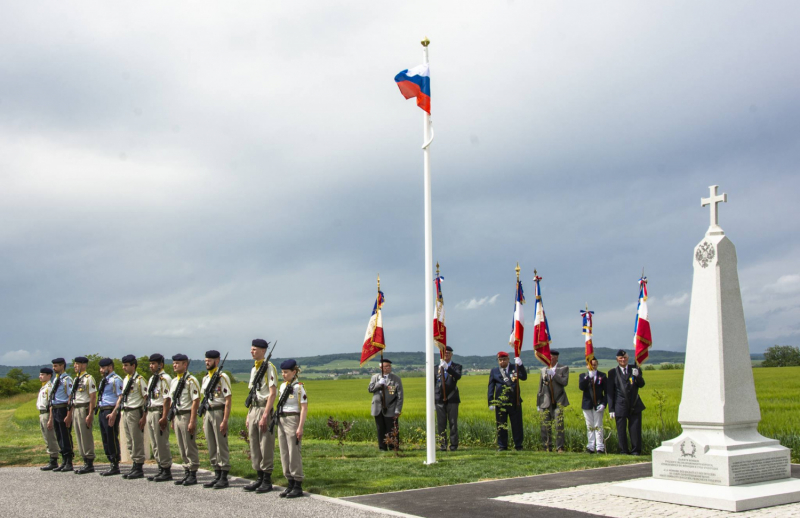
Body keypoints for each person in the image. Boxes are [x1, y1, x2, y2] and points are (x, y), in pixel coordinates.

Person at [243, 338, 278, 494]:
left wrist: (265, 415)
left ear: (263, 351)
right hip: (254, 409)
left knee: (265, 444)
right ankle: (258, 477)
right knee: (254, 444)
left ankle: (266, 479)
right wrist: (248, 414)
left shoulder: (269, 367)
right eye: (251, 349)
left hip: (264, 408)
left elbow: (272, 394)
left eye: (255, 349)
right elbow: (252, 392)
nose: (252, 351)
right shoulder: (254, 369)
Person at [201, 350, 233, 489]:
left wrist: (225, 420)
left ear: (217, 361)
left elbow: (228, 400)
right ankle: (216, 473)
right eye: (206, 360)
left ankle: (224, 475)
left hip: (218, 411)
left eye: (210, 360)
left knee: (221, 444)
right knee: (211, 444)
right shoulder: (205, 378)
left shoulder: (222, 377)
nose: (207, 362)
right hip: (208, 412)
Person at [275, 359, 307, 499]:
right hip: (282, 419)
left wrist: (300, 427)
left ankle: (297, 483)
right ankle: (289, 482)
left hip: (293, 418)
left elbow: (304, 408)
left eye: (286, 372)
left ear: (294, 372)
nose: (283, 374)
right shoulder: (282, 386)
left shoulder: (299, 387)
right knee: (284, 452)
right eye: (282, 372)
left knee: (294, 452)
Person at [113, 354, 147, 479]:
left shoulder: (139, 379)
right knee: (129, 440)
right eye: (123, 365)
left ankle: (139, 466)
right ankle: (134, 464)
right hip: (126, 411)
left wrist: (143, 416)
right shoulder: (126, 379)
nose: (124, 367)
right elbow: (122, 396)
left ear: (133, 365)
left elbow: (145, 398)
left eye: (126, 365)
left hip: (135, 411)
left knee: (136, 439)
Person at [606, 349, 646, 455]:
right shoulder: (612, 373)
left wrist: (638, 376)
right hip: (620, 405)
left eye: (625, 358)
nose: (623, 360)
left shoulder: (635, 368)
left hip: (635, 404)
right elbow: (610, 392)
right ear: (617, 360)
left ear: (628, 358)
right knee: (621, 430)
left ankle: (636, 450)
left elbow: (641, 384)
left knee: (635, 430)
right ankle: (623, 450)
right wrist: (611, 409)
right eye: (621, 358)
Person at [170, 353, 201, 486]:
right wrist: (172, 419)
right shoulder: (174, 381)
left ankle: (193, 472)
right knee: (181, 446)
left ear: (185, 364)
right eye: (174, 363)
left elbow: (196, 401)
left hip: (187, 414)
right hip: (177, 415)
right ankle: (186, 471)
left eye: (178, 363)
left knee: (189, 445)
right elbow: (173, 401)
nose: (175, 365)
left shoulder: (191, 380)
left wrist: (192, 420)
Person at [487, 351, 527, 451]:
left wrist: (520, 365)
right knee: (501, 425)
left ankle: (518, 445)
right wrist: (491, 402)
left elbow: (524, 377)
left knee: (517, 425)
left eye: (504, 359)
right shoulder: (494, 371)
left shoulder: (515, 368)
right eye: (500, 360)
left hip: (514, 401)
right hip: (500, 402)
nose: (502, 362)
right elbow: (491, 387)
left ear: (508, 360)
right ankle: (502, 445)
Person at [145, 353, 173, 482]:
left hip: (159, 411)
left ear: (160, 365)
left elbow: (167, 399)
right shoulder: (152, 379)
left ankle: (166, 468)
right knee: (154, 442)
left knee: (161, 442)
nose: (151, 366)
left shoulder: (165, 378)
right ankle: (160, 467)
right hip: (151, 410)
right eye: (150, 364)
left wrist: (164, 416)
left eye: (154, 364)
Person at [536, 350, 570, 452]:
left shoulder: (563, 368)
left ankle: (560, 447)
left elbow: (564, 382)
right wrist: (538, 403)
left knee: (559, 424)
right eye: (548, 356)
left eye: (552, 356)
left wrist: (554, 374)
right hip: (545, 400)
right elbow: (540, 387)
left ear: (556, 357)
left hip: (559, 399)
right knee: (545, 425)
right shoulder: (543, 370)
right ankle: (546, 446)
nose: (550, 358)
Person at [68, 356, 97, 474]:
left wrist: (90, 413)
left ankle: (89, 461)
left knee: (85, 435)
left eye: (77, 364)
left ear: (84, 365)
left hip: (84, 408)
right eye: (74, 364)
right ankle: (84, 459)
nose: (75, 366)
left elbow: (92, 397)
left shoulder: (88, 378)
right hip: (76, 408)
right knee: (79, 435)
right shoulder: (76, 379)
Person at [368, 359, 403, 451]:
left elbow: (400, 396)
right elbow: (370, 389)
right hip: (377, 407)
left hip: (391, 407)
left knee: (391, 428)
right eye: (386, 366)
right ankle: (382, 447)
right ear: (381, 367)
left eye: (389, 366)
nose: (388, 368)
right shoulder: (375, 377)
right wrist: (379, 384)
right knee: (380, 429)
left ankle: (393, 447)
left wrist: (398, 410)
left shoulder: (395, 379)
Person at [97, 357, 124, 476]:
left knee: (111, 436)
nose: (101, 370)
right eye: (101, 368)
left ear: (110, 367)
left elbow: (120, 396)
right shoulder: (104, 380)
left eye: (103, 367)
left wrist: (114, 412)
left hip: (110, 410)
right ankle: (109, 460)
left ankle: (115, 463)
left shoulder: (116, 380)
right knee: (105, 438)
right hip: (102, 410)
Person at [47, 357, 74, 472]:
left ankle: (69, 460)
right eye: (53, 366)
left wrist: (68, 414)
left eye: (56, 366)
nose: (54, 368)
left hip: (63, 408)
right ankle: (63, 459)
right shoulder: (56, 379)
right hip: (56, 408)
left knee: (65, 435)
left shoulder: (67, 379)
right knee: (59, 435)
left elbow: (70, 397)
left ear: (62, 366)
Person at [435, 346, 462, 451]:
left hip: (452, 398)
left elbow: (457, 376)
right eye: (444, 353)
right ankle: (442, 445)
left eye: (448, 353)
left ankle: (454, 445)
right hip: (439, 399)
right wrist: (433, 400)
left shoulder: (456, 366)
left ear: (451, 355)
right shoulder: (435, 367)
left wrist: (447, 368)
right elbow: (433, 384)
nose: (446, 355)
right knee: (441, 424)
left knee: (453, 423)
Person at [578, 358, 607, 454]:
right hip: (587, 404)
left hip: (598, 404)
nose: (593, 367)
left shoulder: (602, 376)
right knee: (589, 426)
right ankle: (590, 446)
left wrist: (603, 403)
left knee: (598, 425)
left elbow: (607, 392)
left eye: (594, 365)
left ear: (597, 365)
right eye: (591, 365)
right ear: (587, 365)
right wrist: (588, 378)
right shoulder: (583, 376)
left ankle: (600, 447)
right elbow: (581, 387)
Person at [36, 367, 60, 471]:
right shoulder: (43, 387)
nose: (40, 376)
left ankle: (53, 459)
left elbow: (51, 404)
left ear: (49, 376)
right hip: (41, 414)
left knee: (50, 437)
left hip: (46, 413)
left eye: (42, 374)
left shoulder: (49, 387)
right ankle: (51, 457)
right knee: (46, 436)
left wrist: (51, 418)